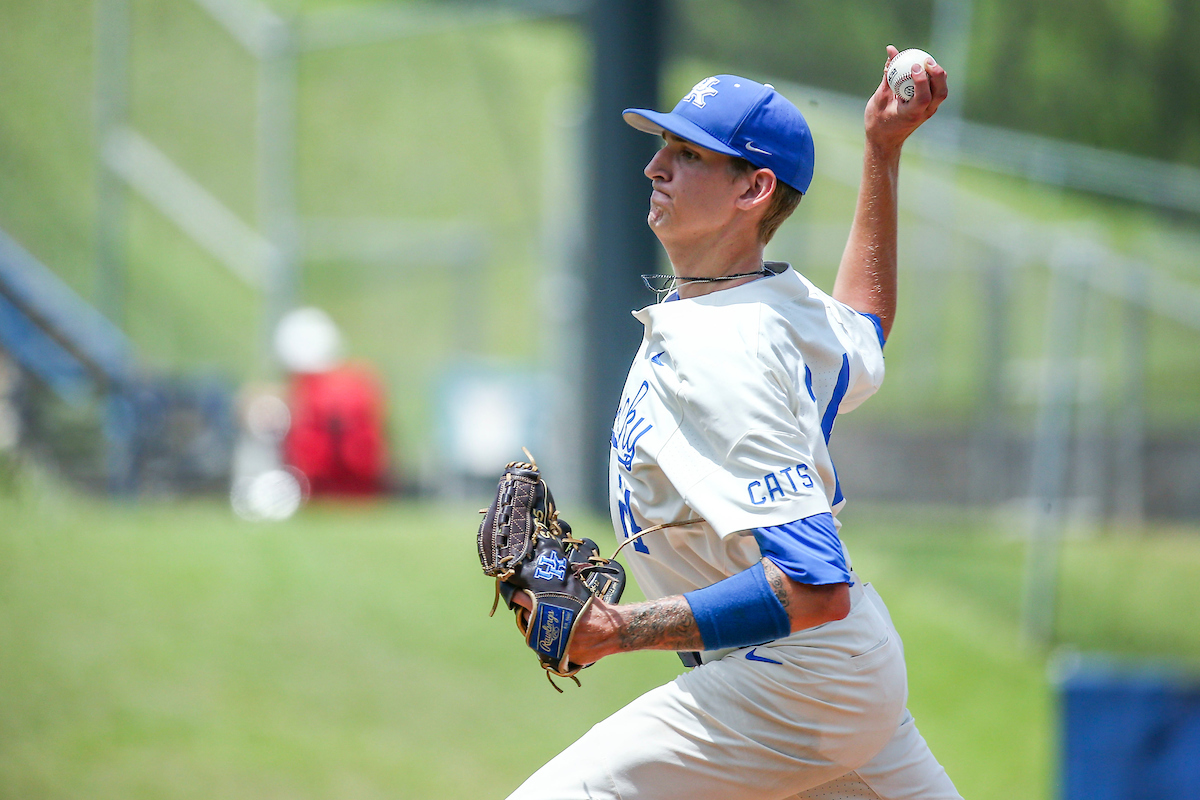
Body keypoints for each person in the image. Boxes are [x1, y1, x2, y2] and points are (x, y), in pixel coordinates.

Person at [509, 47, 960, 800]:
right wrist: (881, 153)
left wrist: (615, 629)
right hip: (829, 671)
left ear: (755, 189)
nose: (656, 167)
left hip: (797, 678)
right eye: (664, 147)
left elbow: (814, 585)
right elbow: (864, 328)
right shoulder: (778, 304)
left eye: (688, 154)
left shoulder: (726, 347)